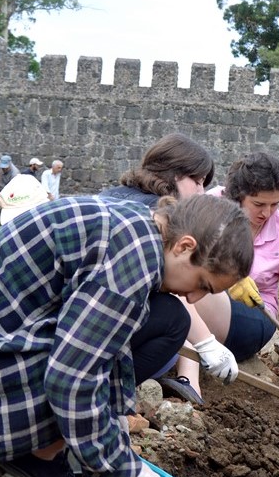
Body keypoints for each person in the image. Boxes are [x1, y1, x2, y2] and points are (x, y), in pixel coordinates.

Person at [0, 194, 253, 477]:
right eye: (202, 284)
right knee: (155, 325)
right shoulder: (133, 262)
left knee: (169, 318)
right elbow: (70, 377)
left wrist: (111, 414)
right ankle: (40, 454)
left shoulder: (141, 226)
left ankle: (62, 437)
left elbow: (100, 336)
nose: (194, 298)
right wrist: (120, 468)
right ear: (184, 246)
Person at [100, 132, 234, 403]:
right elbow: (173, 287)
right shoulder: (157, 216)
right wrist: (206, 342)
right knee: (176, 317)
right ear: (172, 174)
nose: (201, 191)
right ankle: (112, 394)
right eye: (197, 181)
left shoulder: (111, 195)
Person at [200, 152, 279, 383]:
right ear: (238, 195)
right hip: (205, 298)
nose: (267, 213)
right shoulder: (210, 206)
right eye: (258, 204)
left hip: (255, 316)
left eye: (275, 204)